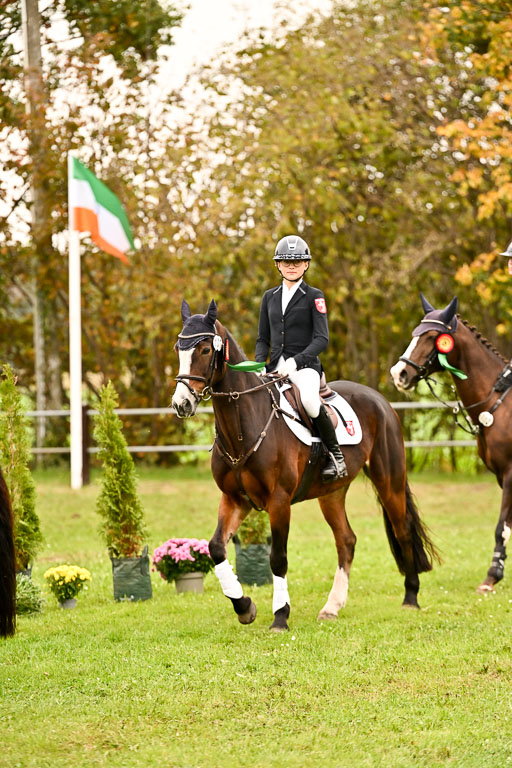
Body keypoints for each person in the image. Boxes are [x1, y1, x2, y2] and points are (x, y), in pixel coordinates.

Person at [255, 234, 347, 481]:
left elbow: (322, 339)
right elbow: (263, 338)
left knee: (308, 399)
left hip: (305, 367)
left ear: (306, 264)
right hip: (274, 367)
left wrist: (296, 361)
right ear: (278, 265)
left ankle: (335, 456)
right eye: (286, 261)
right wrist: (259, 364)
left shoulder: (314, 296)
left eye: (297, 261)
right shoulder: (269, 297)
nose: (292, 265)